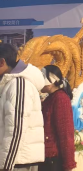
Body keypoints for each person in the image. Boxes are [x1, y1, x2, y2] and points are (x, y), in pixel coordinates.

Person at [0, 43, 45, 171]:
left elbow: (16, 128)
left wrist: (6, 165)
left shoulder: (19, 84)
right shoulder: (10, 84)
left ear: (2, 62)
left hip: (17, 161)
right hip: (14, 160)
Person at [40, 65, 77, 171]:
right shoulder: (50, 99)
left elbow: (65, 133)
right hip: (47, 158)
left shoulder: (60, 98)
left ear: (51, 80)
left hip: (54, 160)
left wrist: (68, 164)